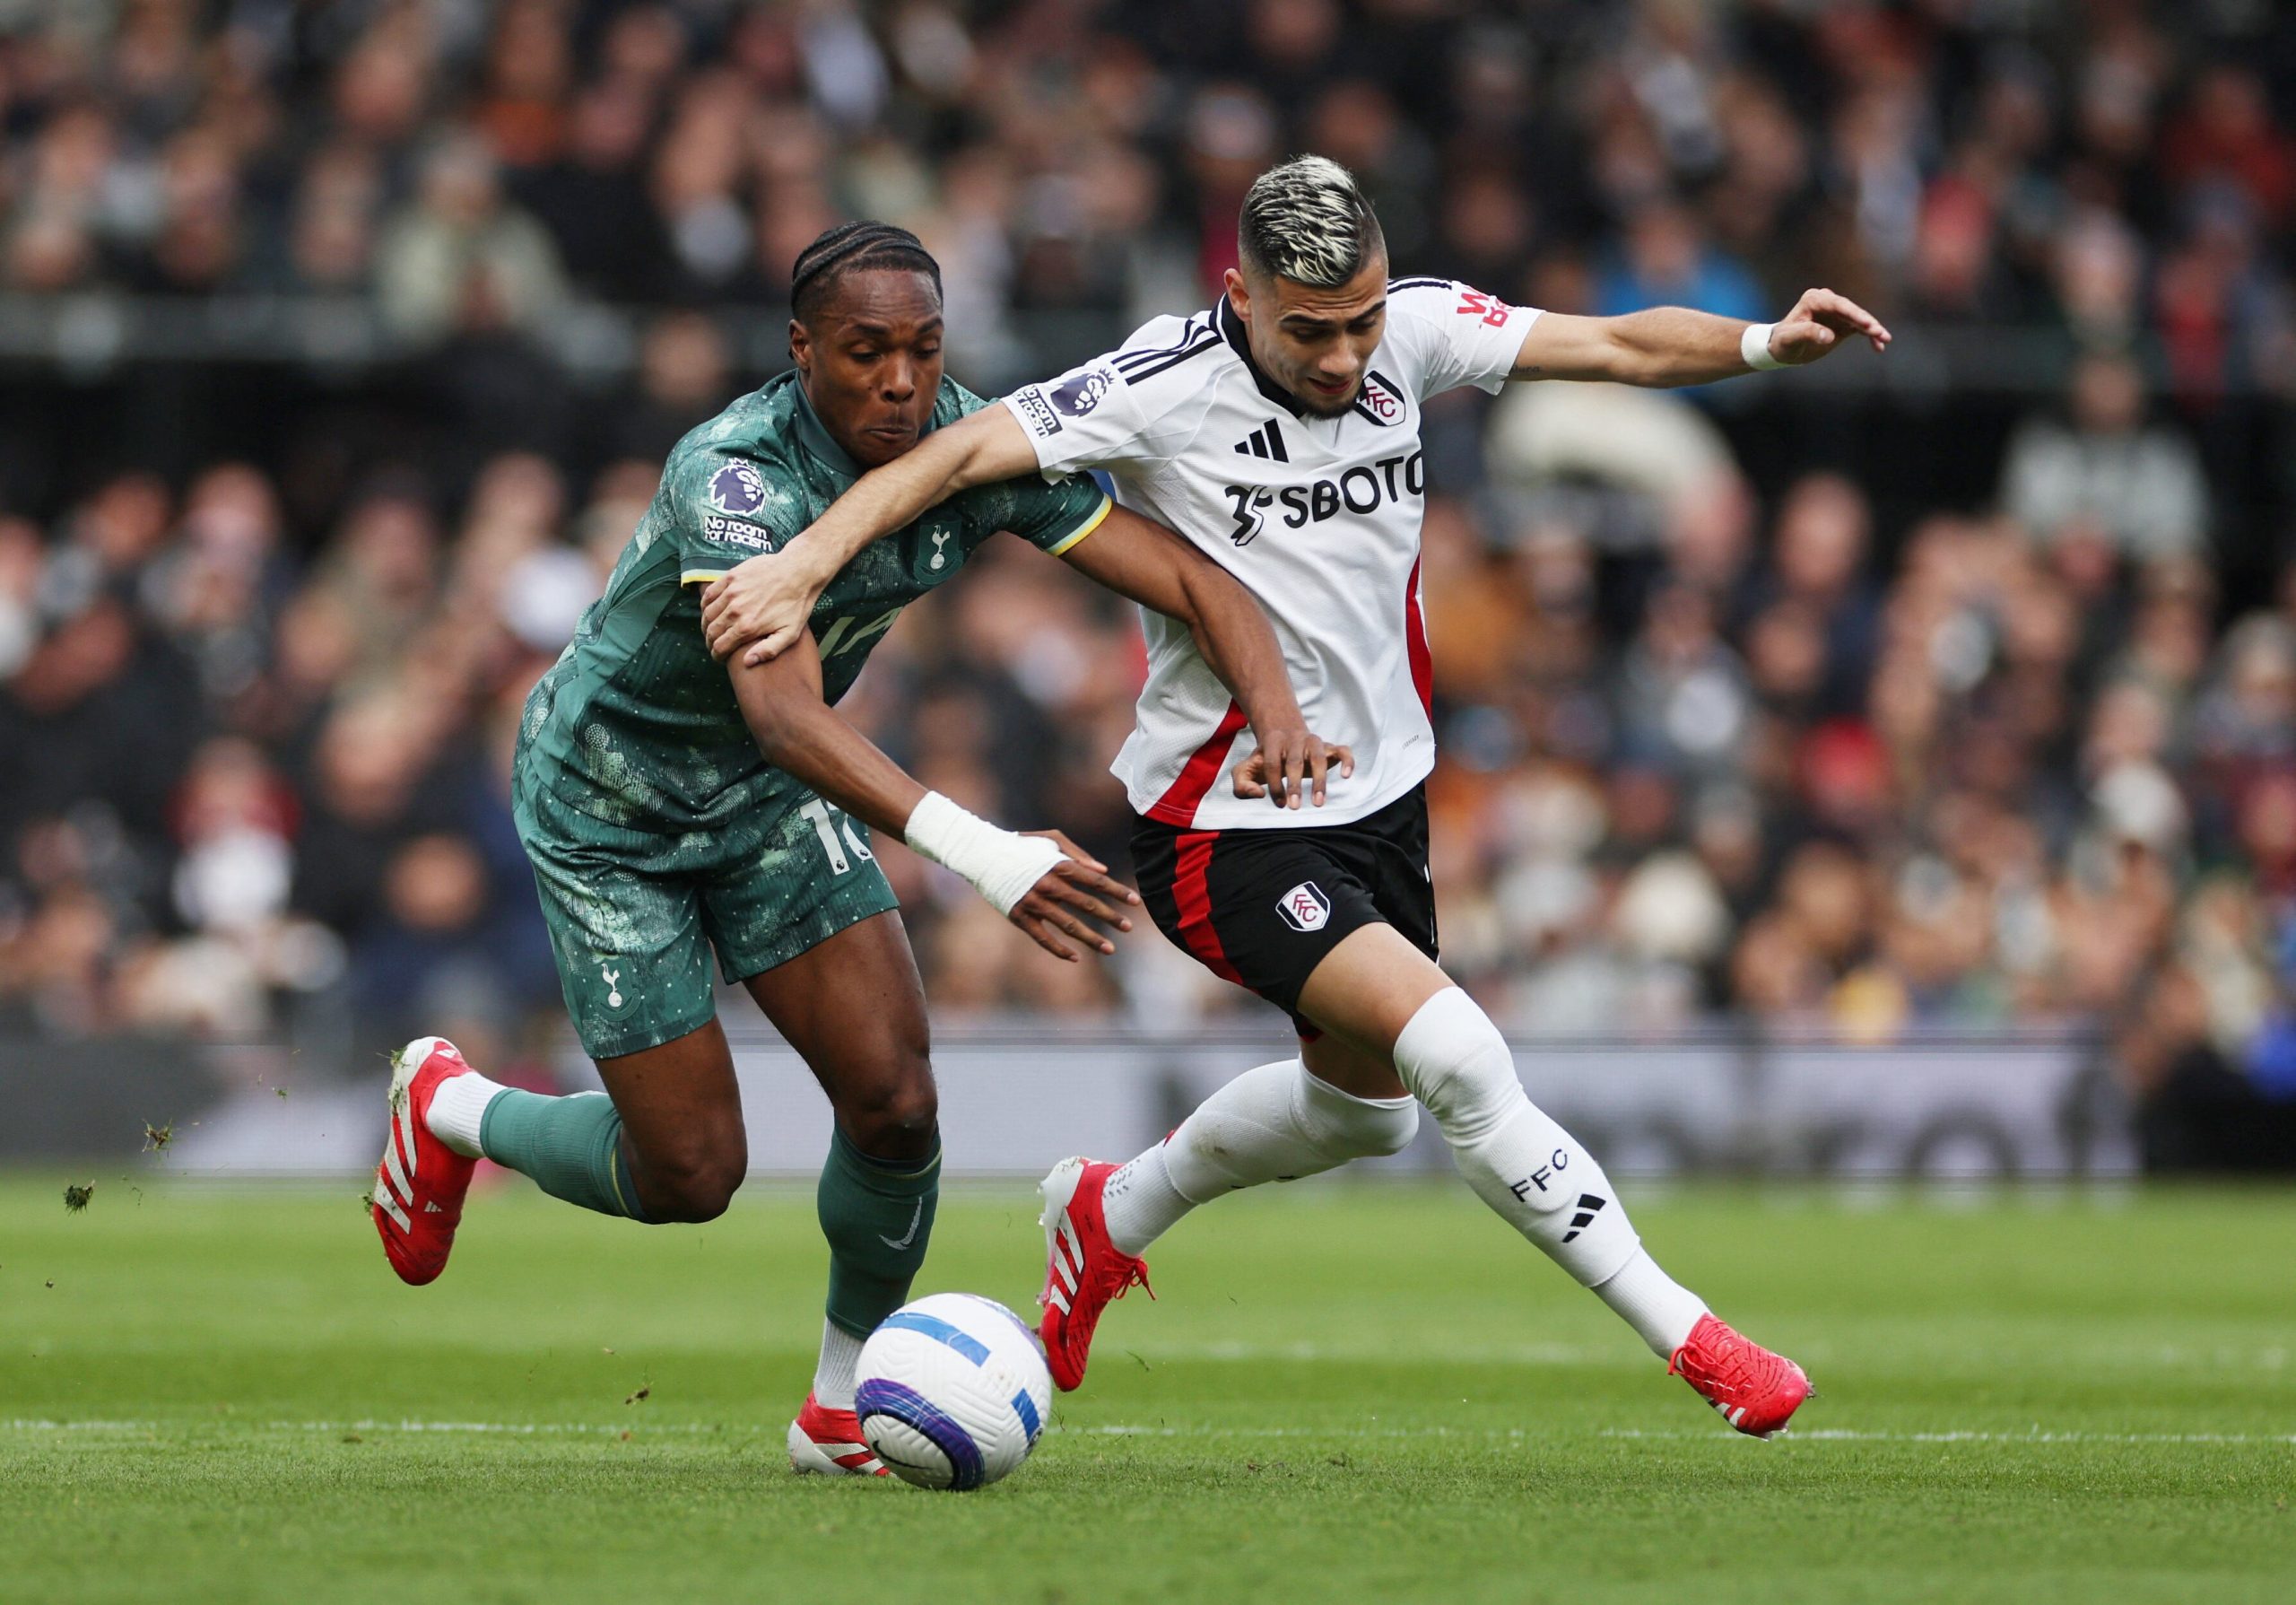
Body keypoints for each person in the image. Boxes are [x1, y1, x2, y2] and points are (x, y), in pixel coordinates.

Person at [700, 162, 1892, 1439]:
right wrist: (803, 561)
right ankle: (1698, 1339)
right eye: (1308, 328)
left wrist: (1765, 340)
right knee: (1461, 1057)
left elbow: (1611, 344)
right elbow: (956, 453)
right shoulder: (1159, 384)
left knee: (1359, 1115)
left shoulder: (1415, 330)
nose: (1342, 357)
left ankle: (1110, 1214)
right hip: (1227, 821)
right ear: (1240, 296)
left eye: (1361, 322)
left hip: (1382, 802)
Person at [368, 222, 1343, 1477]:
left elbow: (1191, 578)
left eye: (924, 350)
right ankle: (450, 1104)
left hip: (767, 803)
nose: (900, 381)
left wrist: (1280, 713)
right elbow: (780, 713)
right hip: (615, 805)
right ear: (801, 350)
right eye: (866, 352)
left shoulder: (967, 444)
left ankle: (837, 1409)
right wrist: (986, 855)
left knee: (894, 1099)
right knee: (692, 1170)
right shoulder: (733, 477)